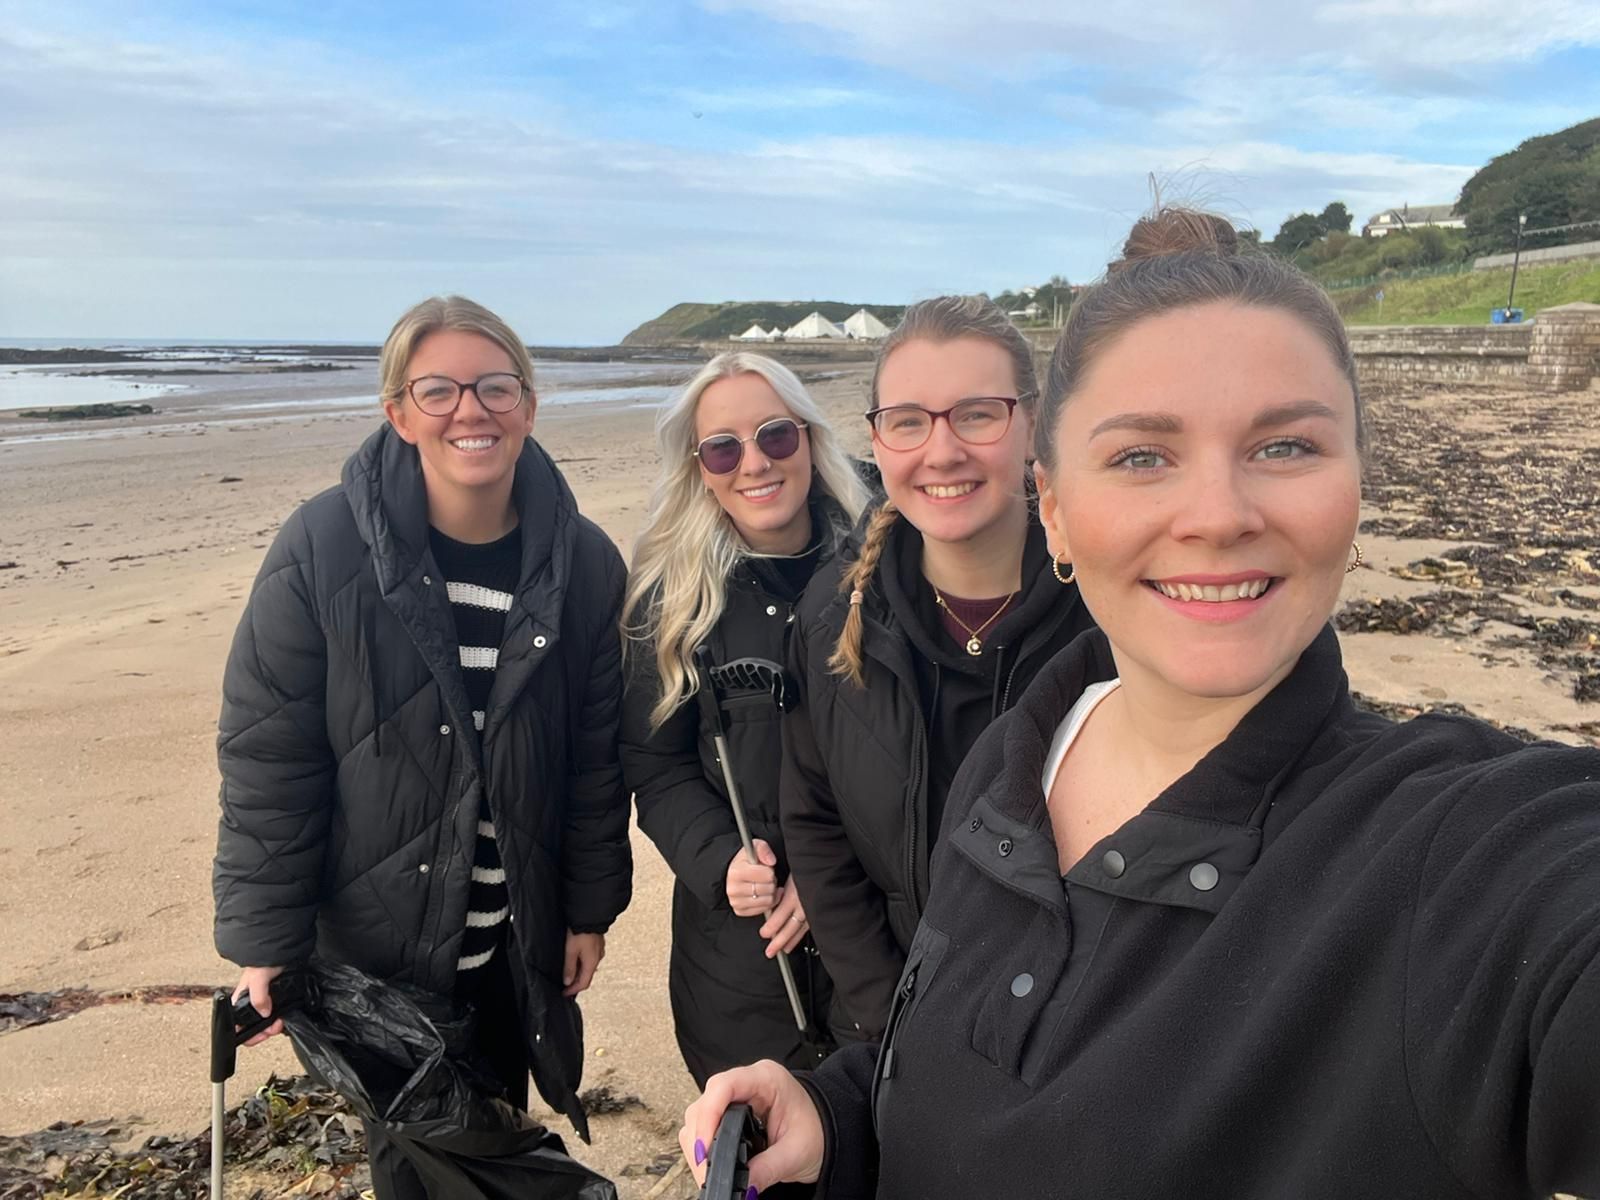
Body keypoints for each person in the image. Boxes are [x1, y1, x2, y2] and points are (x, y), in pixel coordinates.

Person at [679, 211, 1600, 1198]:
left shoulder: (1452, 856)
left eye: (1284, 446)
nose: (1217, 515)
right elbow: (954, 1062)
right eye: (1142, 456)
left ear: (1355, 483)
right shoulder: (1015, 762)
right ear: (1060, 507)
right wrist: (842, 1111)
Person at [212, 296, 630, 1195]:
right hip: (378, 946)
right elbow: (270, 753)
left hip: (515, 941)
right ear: (397, 412)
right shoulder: (322, 546)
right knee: (414, 1170)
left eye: (494, 387)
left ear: (528, 403)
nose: (469, 411)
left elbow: (596, 760)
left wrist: (587, 910)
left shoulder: (586, 564)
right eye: (436, 390)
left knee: (497, 1133)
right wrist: (268, 940)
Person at [780, 295, 1097, 1042]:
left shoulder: (1111, 611)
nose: (942, 450)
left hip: (1074, 1037)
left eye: (977, 414)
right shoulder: (834, 608)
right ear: (878, 438)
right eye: (909, 421)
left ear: (1033, 423)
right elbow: (816, 824)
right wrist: (890, 1014)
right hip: (885, 1030)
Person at [619, 352, 869, 1086]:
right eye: (724, 447)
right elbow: (655, 769)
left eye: (775, 437)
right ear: (700, 467)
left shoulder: (882, 571)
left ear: (811, 440)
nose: (754, 463)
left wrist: (828, 881)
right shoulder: (671, 601)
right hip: (741, 958)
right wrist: (721, 861)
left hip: (873, 936)